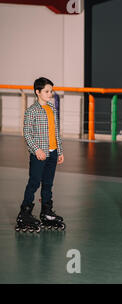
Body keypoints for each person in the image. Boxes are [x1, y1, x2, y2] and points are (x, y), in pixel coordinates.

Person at [15, 77, 65, 233]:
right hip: (39, 155)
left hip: (53, 153)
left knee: (48, 184)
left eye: (51, 91)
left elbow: (56, 132)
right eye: (47, 91)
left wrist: (60, 151)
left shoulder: (52, 108)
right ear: (38, 92)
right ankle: (25, 213)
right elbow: (27, 133)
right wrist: (37, 149)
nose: (50, 94)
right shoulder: (32, 111)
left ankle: (46, 211)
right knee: (34, 182)